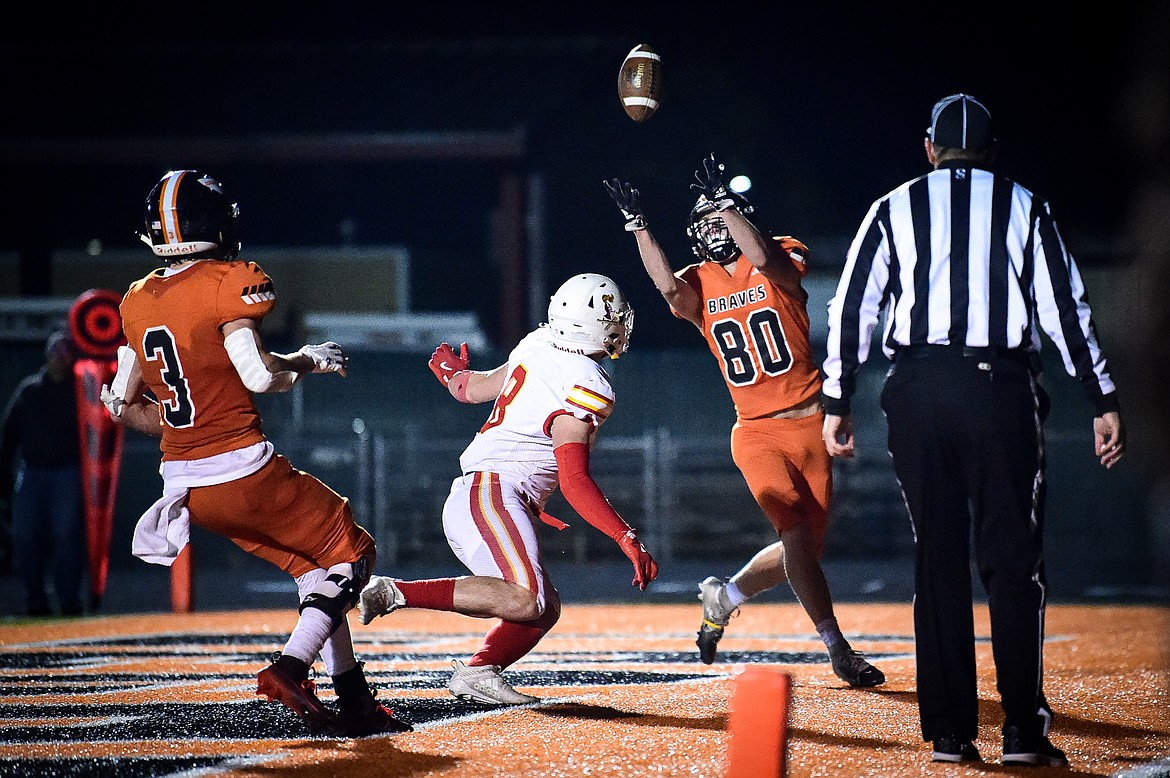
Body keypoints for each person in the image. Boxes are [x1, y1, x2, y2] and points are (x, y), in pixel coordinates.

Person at [821, 94, 1126, 767]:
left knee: (937, 557)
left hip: (920, 390)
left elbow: (853, 307)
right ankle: (1021, 731)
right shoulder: (1024, 205)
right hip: (999, 390)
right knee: (1012, 562)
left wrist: (836, 400)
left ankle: (951, 735)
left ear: (929, 149)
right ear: (991, 151)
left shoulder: (892, 207)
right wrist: (1101, 396)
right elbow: (1064, 309)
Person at [100, 169, 411, 738]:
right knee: (353, 552)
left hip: (187, 488)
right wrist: (307, 360)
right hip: (243, 469)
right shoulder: (227, 282)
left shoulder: (137, 300)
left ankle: (355, 700)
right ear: (215, 226)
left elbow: (126, 408)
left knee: (318, 571)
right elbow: (257, 375)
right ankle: (291, 667)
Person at [604, 154, 885, 688]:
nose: (714, 227)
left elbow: (765, 256)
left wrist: (727, 205)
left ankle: (724, 596)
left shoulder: (779, 254)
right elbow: (667, 287)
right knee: (798, 540)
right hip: (756, 432)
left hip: (811, 425)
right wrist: (638, 226)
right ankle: (838, 648)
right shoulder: (699, 282)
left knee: (802, 549)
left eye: (721, 216)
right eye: (706, 219)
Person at [359, 273, 658, 705]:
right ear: (590, 326)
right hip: (492, 493)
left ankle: (480, 672)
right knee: (527, 598)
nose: (620, 327)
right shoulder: (586, 383)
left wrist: (451, 375)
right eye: (612, 319)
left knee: (542, 606)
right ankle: (393, 591)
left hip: (489, 496)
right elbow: (574, 480)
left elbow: (472, 389)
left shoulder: (538, 345)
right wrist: (625, 537)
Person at [0, 331, 86, 616]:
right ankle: (35, 600)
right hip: (33, 472)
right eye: (55, 353)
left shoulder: (80, 391)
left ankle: (68, 600)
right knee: (24, 536)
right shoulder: (30, 390)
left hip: (67, 472)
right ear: (47, 356)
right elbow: (9, 434)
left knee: (66, 537)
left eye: (65, 353)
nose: (59, 359)